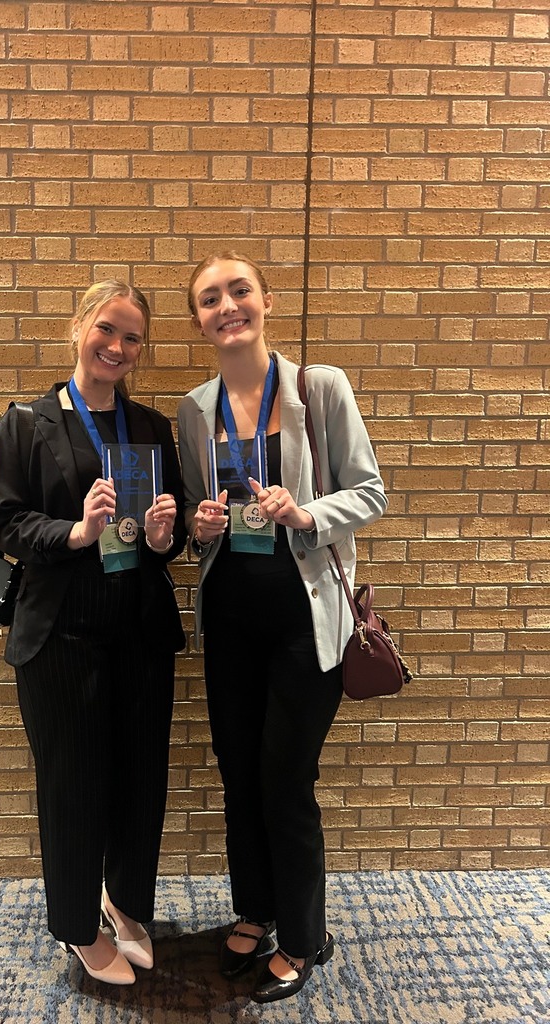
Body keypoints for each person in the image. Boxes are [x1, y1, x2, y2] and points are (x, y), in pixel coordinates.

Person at [177, 252, 387, 1004]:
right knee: (239, 774)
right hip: (230, 620)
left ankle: (305, 935)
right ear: (197, 318)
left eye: (239, 291)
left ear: (265, 300)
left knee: (285, 781)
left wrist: (304, 513)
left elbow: (370, 491)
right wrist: (203, 528)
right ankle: (254, 910)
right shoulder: (195, 409)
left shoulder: (316, 387)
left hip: (306, 623)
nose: (227, 306)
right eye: (210, 298)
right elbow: (207, 524)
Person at [0, 280, 186, 986]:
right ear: (78, 327)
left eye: (133, 337)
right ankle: (77, 926)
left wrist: (164, 534)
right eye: (107, 329)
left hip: (138, 630)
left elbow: (175, 532)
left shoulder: (152, 428)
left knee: (141, 780)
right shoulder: (26, 421)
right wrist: (76, 530)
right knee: (72, 785)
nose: (118, 347)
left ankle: (127, 901)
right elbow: (6, 522)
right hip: (61, 635)